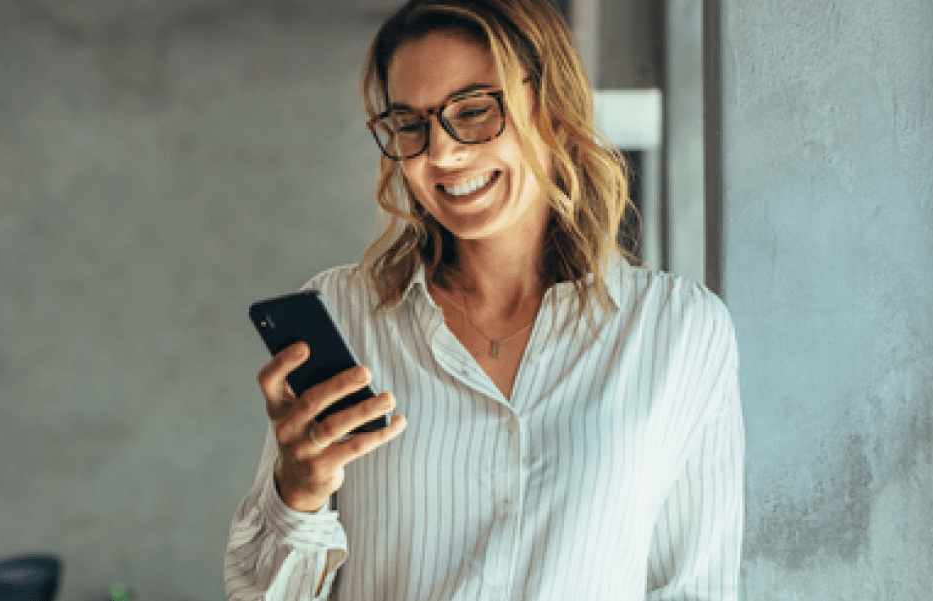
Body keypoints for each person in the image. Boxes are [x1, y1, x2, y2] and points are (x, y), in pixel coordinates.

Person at [224, 0, 743, 599]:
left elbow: (694, 587)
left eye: (472, 112)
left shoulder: (679, 332)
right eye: (410, 125)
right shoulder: (345, 314)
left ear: (551, 106)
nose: (441, 156)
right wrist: (299, 494)